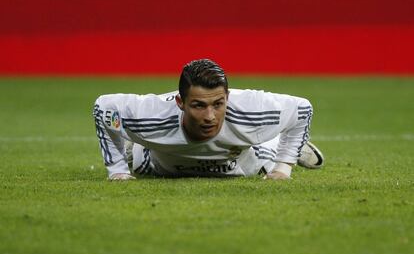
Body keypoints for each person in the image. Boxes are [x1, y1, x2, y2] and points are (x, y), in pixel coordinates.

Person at [93, 59, 324, 181]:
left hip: (239, 160)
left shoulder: (252, 110)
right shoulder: (151, 114)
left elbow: (301, 109)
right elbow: (104, 108)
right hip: (160, 163)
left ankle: (290, 147)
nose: (210, 117)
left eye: (218, 104)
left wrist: (283, 168)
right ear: (180, 103)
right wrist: (118, 170)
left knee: (265, 153)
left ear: (228, 98)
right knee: (137, 156)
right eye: (198, 106)